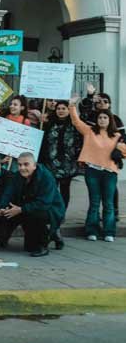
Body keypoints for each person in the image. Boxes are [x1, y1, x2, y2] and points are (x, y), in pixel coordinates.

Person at [69, 96, 126, 242]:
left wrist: (120, 150)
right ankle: (91, 231)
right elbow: (76, 122)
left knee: (108, 204)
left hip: (109, 173)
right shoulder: (90, 132)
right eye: (100, 117)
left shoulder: (117, 136)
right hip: (92, 171)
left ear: (110, 120)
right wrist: (72, 105)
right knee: (94, 202)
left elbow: (124, 152)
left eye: (105, 118)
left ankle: (109, 232)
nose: (102, 120)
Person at [0, 152, 66, 257]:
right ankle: (3, 236)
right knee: (28, 247)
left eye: (26, 164)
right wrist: (2, 207)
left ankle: (44, 244)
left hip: (50, 209)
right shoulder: (17, 176)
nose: (22, 168)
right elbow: (8, 193)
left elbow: (44, 203)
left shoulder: (46, 177)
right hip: (27, 206)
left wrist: (21, 209)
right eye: (19, 165)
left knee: (35, 214)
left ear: (34, 165)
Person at [40, 100, 81, 209]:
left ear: (68, 110)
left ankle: (62, 212)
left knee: (64, 189)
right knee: (51, 189)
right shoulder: (50, 123)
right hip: (51, 163)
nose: (61, 111)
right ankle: (52, 212)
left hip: (67, 163)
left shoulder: (73, 124)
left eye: (64, 108)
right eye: (58, 109)